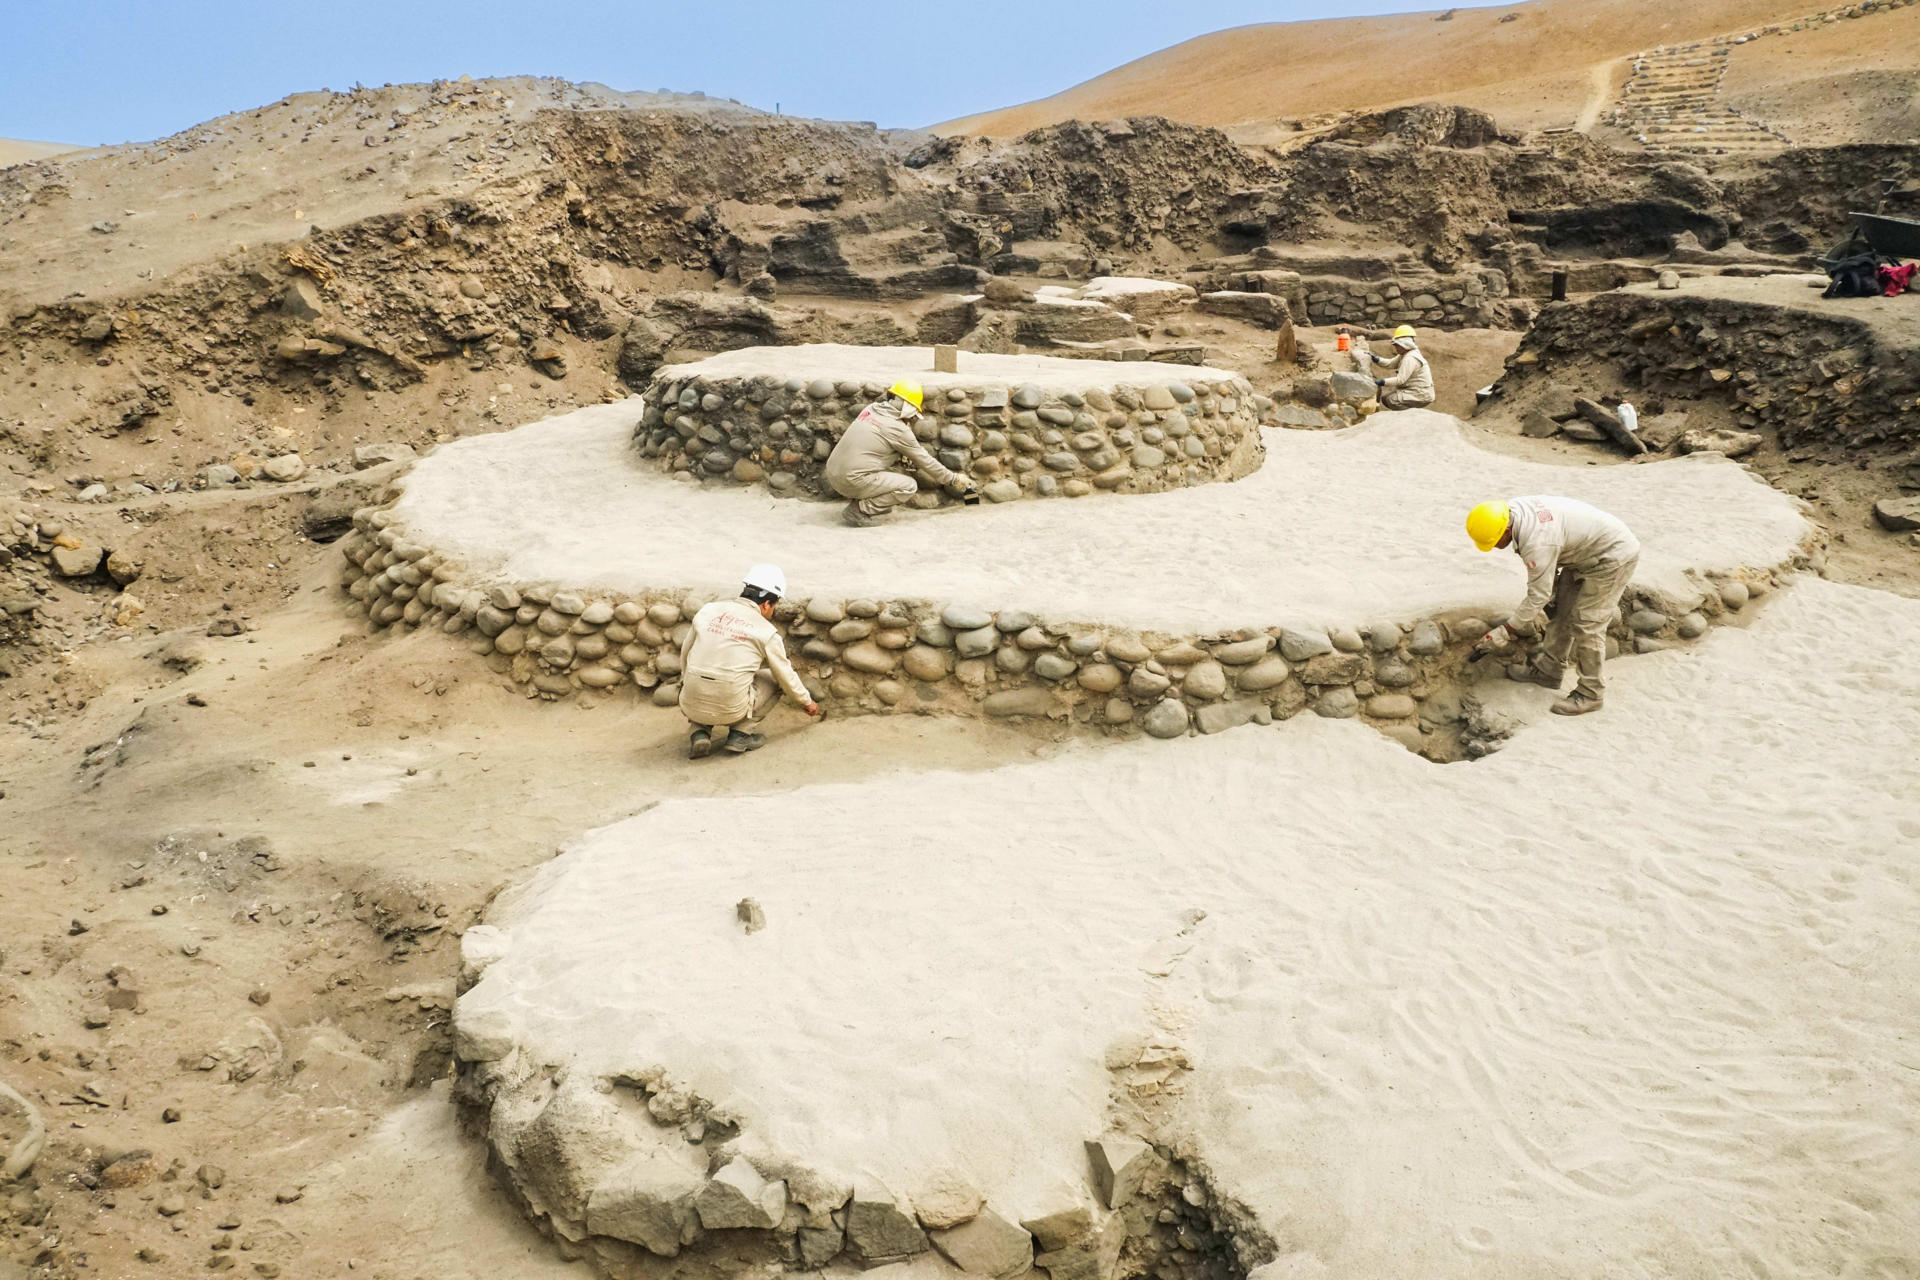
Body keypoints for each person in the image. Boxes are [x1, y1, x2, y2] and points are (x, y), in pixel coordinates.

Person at [1466, 496, 1641, 717]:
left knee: (1588, 624)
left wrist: (1505, 631)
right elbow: (1547, 585)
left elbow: (1539, 595)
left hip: (1612, 555)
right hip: (1582, 551)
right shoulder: (1508, 512)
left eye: (1495, 541)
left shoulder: (1538, 542)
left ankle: (1591, 694)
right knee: (1561, 611)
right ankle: (1549, 671)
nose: (1495, 547)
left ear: (1507, 531)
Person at [677, 563, 820, 758]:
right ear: (767, 604)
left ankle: (699, 731)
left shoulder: (707, 611)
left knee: (703, 674)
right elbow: (785, 674)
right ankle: (741, 734)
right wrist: (807, 702)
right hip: (732, 709)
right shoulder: (766, 632)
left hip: (691, 702)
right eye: (774, 606)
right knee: (774, 678)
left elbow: (686, 653)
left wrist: (685, 682)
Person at [825, 380, 976, 527]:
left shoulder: (871, 409)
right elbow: (925, 460)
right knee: (908, 486)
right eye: (913, 412)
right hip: (850, 479)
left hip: (831, 473)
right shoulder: (898, 429)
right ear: (907, 407)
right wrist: (954, 479)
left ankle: (866, 500)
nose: (912, 418)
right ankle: (860, 510)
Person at [1355, 324, 1435, 410]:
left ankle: (1410, 417)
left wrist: (1382, 382)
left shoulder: (1410, 358)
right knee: (1385, 398)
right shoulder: (1405, 354)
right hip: (1413, 390)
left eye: (1397, 345)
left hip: (1420, 394)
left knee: (1392, 400)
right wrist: (1377, 359)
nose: (1395, 347)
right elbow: (1390, 363)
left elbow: (1400, 380)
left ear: (1405, 344)